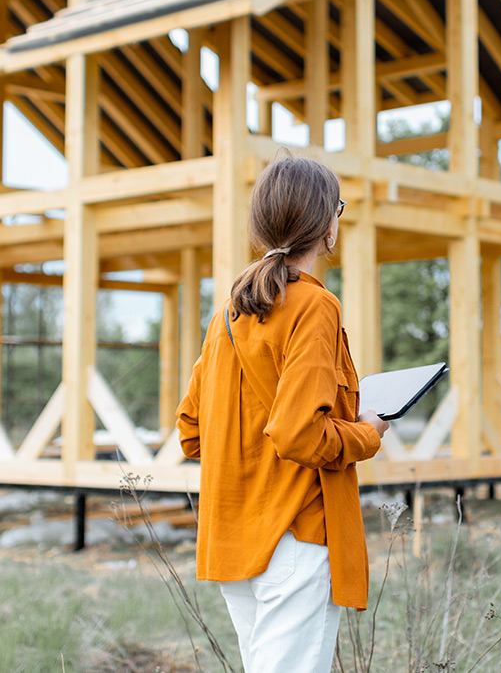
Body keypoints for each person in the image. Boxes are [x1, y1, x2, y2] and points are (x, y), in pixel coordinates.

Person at [177, 153, 389, 673]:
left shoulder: (229, 313)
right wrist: (367, 433)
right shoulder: (315, 305)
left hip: (234, 539)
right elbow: (298, 434)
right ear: (328, 225)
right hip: (294, 539)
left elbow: (190, 431)